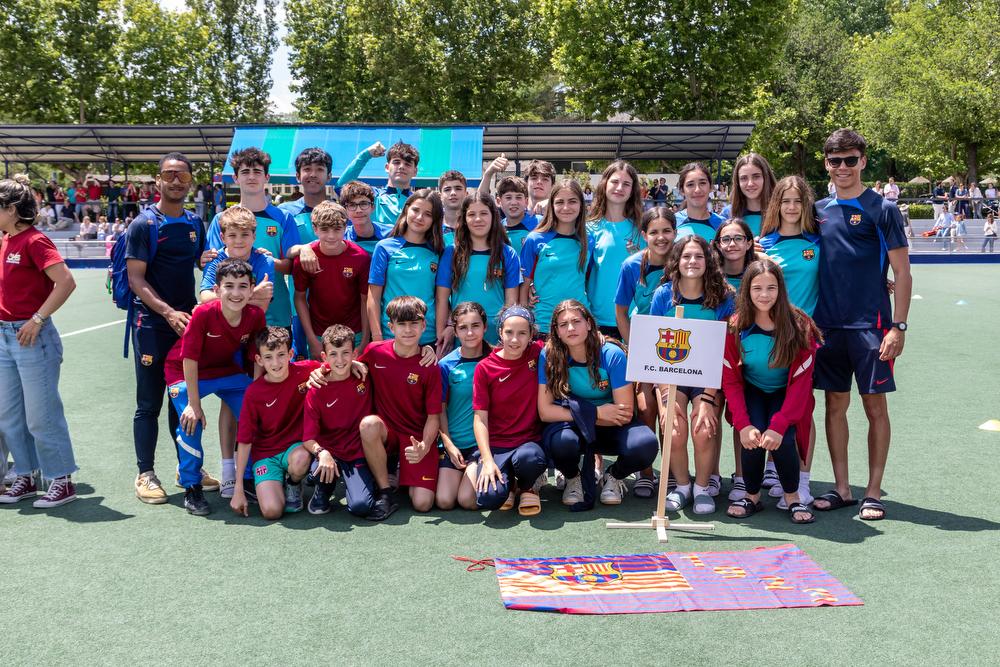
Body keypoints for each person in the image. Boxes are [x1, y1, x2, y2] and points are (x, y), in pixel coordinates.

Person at [811, 129, 910, 522]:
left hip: (873, 326)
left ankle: (873, 491)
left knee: (874, 407)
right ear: (826, 164)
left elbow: (902, 273)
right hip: (827, 328)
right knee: (834, 405)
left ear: (863, 162)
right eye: (835, 161)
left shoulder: (883, 209)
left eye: (850, 160)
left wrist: (898, 326)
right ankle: (842, 488)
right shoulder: (816, 210)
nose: (843, 168)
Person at [124, 152, 213, 504]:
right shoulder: (143, 224)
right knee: (149, 402)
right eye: (169, 175)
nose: (176, 181)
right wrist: (167, 312)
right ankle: (145, 473)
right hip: (153, 324)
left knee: (182, 399)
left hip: (185, 324)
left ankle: (186, 468)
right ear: (158, 179)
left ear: (191, 181)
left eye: (182, 176)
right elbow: (136, 279)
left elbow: (200, 263)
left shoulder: (195, 223)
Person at [718, 260, 821, 524]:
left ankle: (792, 497)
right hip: (752, 389)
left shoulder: (800, 326)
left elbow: (801, 385)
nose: (764, 295)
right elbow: (730, 380)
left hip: (785, 393)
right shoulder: (735, 326)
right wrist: (742, 423)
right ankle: (751, 496)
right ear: (747, 292)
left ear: (781, 289)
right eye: (757, 288)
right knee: (752, 436)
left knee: (782, 438)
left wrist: (780, 424)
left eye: (771, 288)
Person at [0, 176, 79, 508]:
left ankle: (61, 480)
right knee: (9, 415)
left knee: (41, 415)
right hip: (5, 336)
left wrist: (37, 318)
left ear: (12, 209)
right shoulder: (6, 240)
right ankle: (26, 475)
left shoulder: (35, 240)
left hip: (32, 337)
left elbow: (65, 282)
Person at [165, 259, 265, 515]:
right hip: (185, 371)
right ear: (217, 290)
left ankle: (249, 478)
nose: (236, 293)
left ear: (251, 289)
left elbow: (255, 356)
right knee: (191, 421)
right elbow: (189, 358)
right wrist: (193, 404)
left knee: (252, 416)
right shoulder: (204, 313)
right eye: (228, 286)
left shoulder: (255, 315)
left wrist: (255, 396)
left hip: (226, 370)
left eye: (243, 286)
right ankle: (191, 486)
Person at [539, 300, 658, 508]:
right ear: (556, 331)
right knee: (561, 442)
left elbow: (624, 414)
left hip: (610, 428)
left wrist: (587, 416)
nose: (571, 328)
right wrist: (594, 413)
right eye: (563, 324)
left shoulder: (612, 354)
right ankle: (572, 477)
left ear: (589, 324)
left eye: (576, 321)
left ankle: (613, 476)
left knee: (644, 444)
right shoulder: (549, 355)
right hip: (576, 426)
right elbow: (545, 412)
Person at [649, 235, 735, 514]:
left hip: (708, 377)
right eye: (686, 256)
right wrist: (664, 394)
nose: (692, 262)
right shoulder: (664, 295)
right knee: (672, 428)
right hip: (671, 375)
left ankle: (702, 487)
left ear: (708, 261)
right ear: (677, 261)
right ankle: (682, 486)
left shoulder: (725, 297)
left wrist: (710, 397)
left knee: (704, 428)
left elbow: (726, 349)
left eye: (698, 256)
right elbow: (653, 345)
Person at [758, 175, 822, 505]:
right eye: (786, 201)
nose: (792, 207)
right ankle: (768, 471)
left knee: (802, 410)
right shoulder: (763, 245)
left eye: (798, 200)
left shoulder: (818, 242)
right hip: (768, 338)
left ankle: (803, 480)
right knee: (768, 404)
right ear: (777, 205)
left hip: (803, 338)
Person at [358, 296, 443, 518]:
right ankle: (386, 492)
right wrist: (322, 369)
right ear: (391, 326)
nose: (408, 330)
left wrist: (424, 446)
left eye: (414, 323)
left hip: (416, 437)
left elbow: (434, 417)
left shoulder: (430, 366)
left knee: (423, 503)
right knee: (368, 425)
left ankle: (400, 470)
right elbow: (348, 365)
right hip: (388, 434)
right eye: (402, 324)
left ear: (424, 325)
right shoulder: (375, 351)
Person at [613, 206, 676, 498]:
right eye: (654, 232)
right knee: (646, 408)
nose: (661, 237)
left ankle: (674, 471)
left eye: (667, 231)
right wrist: (632, 347)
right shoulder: (631, 266)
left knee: (671, 410)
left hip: (677, 348)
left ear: (675, 233)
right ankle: (647, 472)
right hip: (643, 347)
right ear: (643, 235)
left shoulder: (683, 262)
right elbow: (621, 311)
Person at [206, 147, 301, 333]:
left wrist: (268, 262)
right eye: (245, 172)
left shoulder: (284, 218)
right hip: (231, 316)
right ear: (235, 178)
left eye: (257, 171)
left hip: (275, 316)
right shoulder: (221, 219)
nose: (251, 177)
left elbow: (292, 267)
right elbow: (214, 264)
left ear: (266, 177)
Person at [230, 327, 319, 520]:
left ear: (291, 354)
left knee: (301, 460)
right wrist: (238, 489)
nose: (276, 363)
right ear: (259, 360)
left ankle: (294, 483)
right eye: (268, 357)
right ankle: (278, 482)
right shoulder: (254, 393)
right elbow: (244, 440)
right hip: (265, 455)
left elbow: (335, 365)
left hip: (295, 448)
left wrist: (355, 364)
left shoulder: (306, 370)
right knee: (272, 512)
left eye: (281, 355)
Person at [472, 305, 548, 516]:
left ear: (531, 334)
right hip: (497, 446)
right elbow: (480, 419)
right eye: (509, 333)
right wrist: (487, 460)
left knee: (530, 459)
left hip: (528, 443)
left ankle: (528, 485)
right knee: (490, 498)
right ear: (500, 332)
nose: (515, 340)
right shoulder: (485, 368)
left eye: (522, 333)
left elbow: (568, 343)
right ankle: (510, 485)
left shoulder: (537, 352)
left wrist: (597, 336)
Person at [301, 324, 378, 516]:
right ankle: (322, 489)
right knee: (320, 465)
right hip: (330, 451)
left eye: (345, 353)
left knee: (361, 507)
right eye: (333, 354)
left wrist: (426, 348)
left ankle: (362, 482)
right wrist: (322, 452)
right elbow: (308, 438)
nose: (340, 360)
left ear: (354, 354)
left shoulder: (364, 376)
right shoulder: (317, 386)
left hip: (357, 452)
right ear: (324, 357)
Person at [435, 192, 520, 349]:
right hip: (461, 332)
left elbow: (511, 302)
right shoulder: (451, 253)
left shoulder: (508, 254)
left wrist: (506, 336)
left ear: (493, 217)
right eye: (472, 214)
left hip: (497, 335)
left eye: (484, 213)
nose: (478, 219)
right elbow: (442, 298)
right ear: (465, 219)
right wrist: (443, 331)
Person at [292, 201, 370, 359]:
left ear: (346, 227)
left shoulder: (360, 257)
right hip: (319, 334)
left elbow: (365, 301)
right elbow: (299, 298)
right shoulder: (305, 258)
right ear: (314, 229)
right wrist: (312, 339)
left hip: (355, 333)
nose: (331, 236)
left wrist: (365, 340)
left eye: (337, 229)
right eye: (325, 229)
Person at [367, 189, 444, 347]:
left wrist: (440, 336)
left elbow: (441, 298)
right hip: (391, 336)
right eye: (415, 210)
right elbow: (373, 297)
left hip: (427, 337)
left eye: (428, 214)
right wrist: (377, 337)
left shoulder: (439, 252)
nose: (420, 217)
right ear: (406, 209)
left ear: (434, 220)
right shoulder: (384, 247)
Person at [520, 179, 595, 338]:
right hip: (543, 324)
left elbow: (588, 281)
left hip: (579, 325)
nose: (566, 207)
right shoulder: (535, 239)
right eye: (560, 202)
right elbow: (524, 287)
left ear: (581, 205)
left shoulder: (589, 240)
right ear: (551, 206)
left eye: (572, 201)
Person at [436, 302, 491, 511]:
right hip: (455, 445)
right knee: (444, 501)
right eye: (463, 327)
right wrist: (449, 445)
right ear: (455, 331)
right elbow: (439, 409)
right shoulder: (445, 365)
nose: (470, 333)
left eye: (475, 326)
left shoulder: (495, 360)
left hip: (482, 446)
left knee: (467, 500)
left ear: (485, 327)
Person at [586, 160, 646, 338]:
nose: (620, 187)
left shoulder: (642, 229)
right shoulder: (588, 227)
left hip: (635, 317)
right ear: (604, 184)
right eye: (615, 182)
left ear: (632, 190)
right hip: (598, 319)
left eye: (626, 184)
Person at [337, 141, 418, 229]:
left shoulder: (419, 201)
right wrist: (365, 155)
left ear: (415, 171)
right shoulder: (371, 195)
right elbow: (341, 187)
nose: (401, 167)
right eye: (396, 162)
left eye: (407, 164)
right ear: (387, 167)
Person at [722, 153, 776, 238]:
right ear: (737, 182)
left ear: (766, 178)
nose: (750, 183)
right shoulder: (727, 214)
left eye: (756, 177)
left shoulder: (781, 212)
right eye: (744, 178)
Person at [675, 163, 725, 241]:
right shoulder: (672, 223)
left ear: (711, 187)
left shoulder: (723, 224)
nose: (697, 190)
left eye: (702, 183)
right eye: (690, 185)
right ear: (682, 191)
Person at [341, 180, 388, 254]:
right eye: (352, 205)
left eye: (363, 204)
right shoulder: (341, 237)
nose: (358, 210)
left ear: (372, 207)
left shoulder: (391, 234)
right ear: (345, 210)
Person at [495, 176, 539, 253]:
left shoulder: (539, 222)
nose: (514, 202)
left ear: (526, 201)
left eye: (518, 197)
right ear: (499, 201)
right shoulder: (497, 230)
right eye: (508, 198)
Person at [711, 218, 756, 291]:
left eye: (738, 238)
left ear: (748, 244)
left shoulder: (758, 277)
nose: (732, 244)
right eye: (726, 239)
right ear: (718, 245)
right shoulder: (710, 278)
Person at [438, 170, 468, 246]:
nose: (453, 193)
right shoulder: (432, 227)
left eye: (458, 188)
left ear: (466, 194)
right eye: (447, 189)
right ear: (440, 196)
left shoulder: (473, 226)